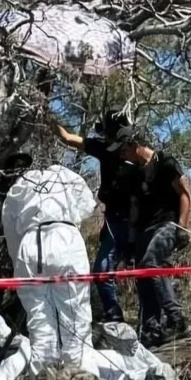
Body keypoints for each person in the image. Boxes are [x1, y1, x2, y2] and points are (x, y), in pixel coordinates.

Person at [1, 164, 97, 377]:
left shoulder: (21, 185)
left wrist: (19, 259)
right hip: (66, 239)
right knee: (75, 316)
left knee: (39, 321)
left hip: (29, 244)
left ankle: (43, 379)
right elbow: (87, 206)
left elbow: (9, 225)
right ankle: (78, 377)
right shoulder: (67, 176)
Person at [105, 126, 191, 347]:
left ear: (134, 145)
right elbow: (134, 211)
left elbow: (184, 195)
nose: (122, 156)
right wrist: (131, 245)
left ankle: (176, 319)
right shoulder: (135, 174)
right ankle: (151, 330)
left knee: (151, 262)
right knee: (143, 274)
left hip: (168, 224)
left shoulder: (166, 163)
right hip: (144, 229)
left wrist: (182, 227)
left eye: (123, 150)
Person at [52, 111, 136, 323]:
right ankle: (114, 315)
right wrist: (48, 117)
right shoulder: (103, 148)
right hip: (114, 221)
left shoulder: (137, 150)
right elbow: (67, 138)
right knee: (102, 271)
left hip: (139, 221)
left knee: (144, 273)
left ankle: (156, 323)